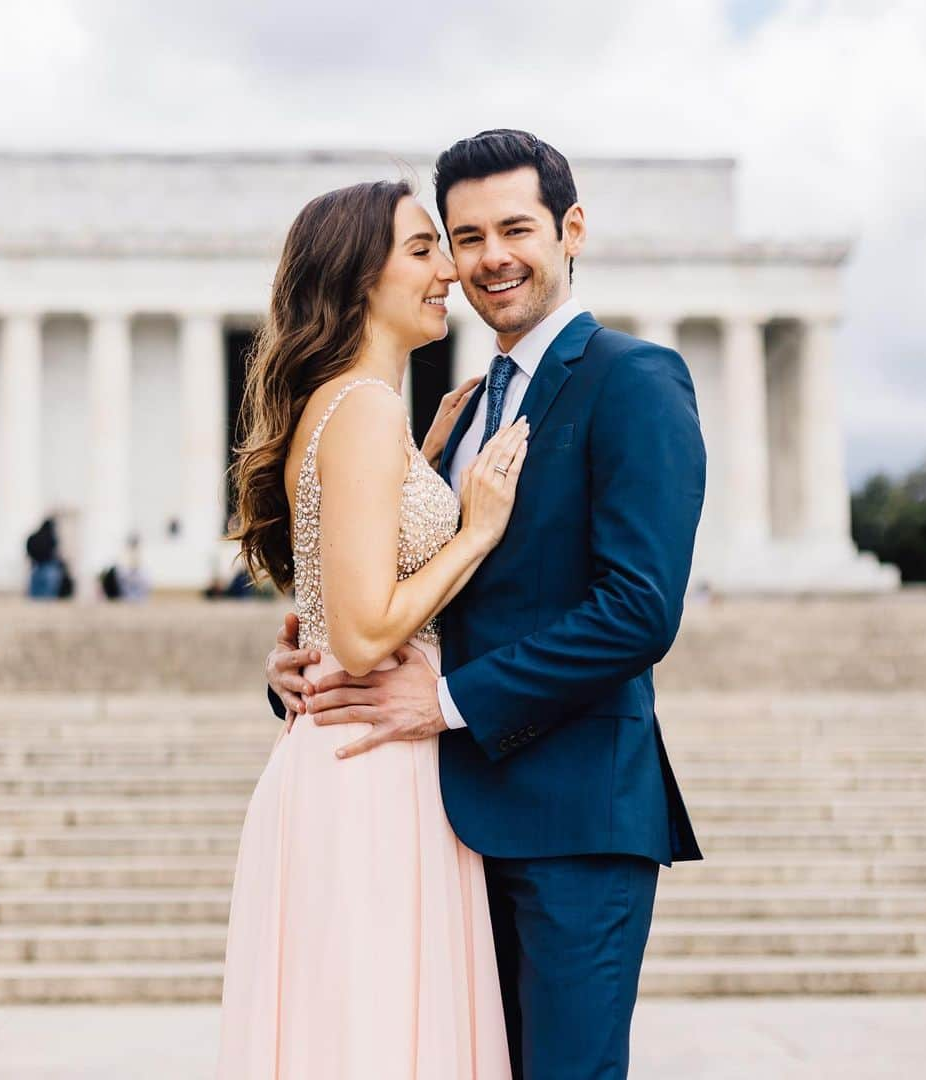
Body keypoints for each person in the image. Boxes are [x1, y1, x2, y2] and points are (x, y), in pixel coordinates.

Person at [265, 130, 707, 1080]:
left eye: (516, 228)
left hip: (570, 818)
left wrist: (449, 701)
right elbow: (392, 597)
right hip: (438, 821)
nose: (489, 257)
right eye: (462, 238)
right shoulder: (458, 412)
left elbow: (638, 609)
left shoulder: (633, 379)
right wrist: (308, 665)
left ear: (571, 229)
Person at [215, 179, 527, 1078]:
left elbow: (351, 564)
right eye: (424, 249)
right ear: (361, 278)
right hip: (371, 765)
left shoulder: (355, 408)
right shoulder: (364, 407)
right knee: (380, 1037)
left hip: (351, 756)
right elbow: (358, 638)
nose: (450, 273)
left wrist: (422, 468)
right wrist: (474, 530)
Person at [26, 517, 63, 599]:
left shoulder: (33, 537)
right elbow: (56, 553)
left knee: (35, 594)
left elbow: (28, 551)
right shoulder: (52, 538)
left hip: (36, 566)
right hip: (49, 567)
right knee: (48, 594)